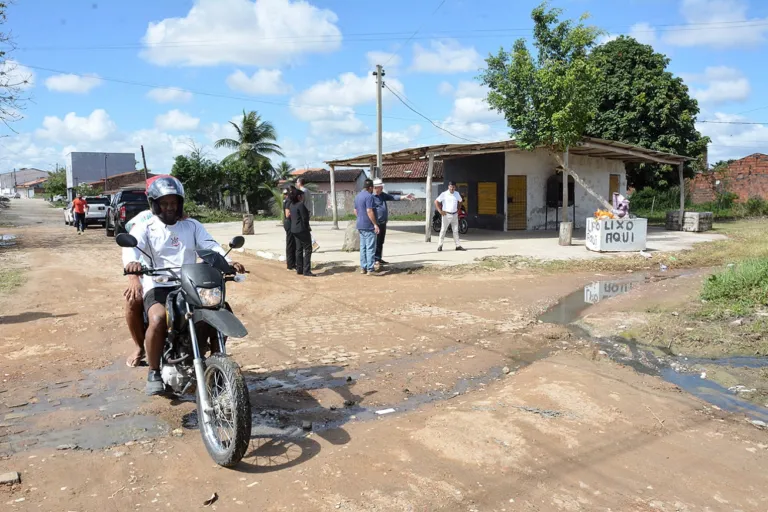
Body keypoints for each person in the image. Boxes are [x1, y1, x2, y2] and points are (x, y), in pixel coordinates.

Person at [122, 176, 246, 395]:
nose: (170, 208)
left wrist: (225, 261)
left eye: (174, 203)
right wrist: (133, 269)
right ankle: (154, 372)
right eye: (165, 203)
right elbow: (132, 250)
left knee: (221, 309)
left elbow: (209, 245)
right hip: (159, 284)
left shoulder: (192, 225)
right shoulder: (146, 227)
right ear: (155, 204)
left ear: (180, 203)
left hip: (191, 281)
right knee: (158, 318)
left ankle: (218, 363)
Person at [371, 178, 414, 269]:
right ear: (375, 187)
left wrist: (405, 197)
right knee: (376, 242)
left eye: (382, 187)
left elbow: (393, 197)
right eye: (380, 187)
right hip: (376, 223)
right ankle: (375, 260)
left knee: (381, 241)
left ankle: (379, 258)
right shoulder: (371, 197)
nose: (382, 188)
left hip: (383, 223)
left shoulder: (382, 195)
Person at [353, 179, 380, 274]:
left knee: (363, 247)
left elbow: (355, 211)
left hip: (360, 225)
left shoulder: (357, 196)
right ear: (371, 187)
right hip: (369, 226)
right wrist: (375, 224)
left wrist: (361, 217)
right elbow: (369, 211)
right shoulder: (369, 197)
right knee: (370, 247)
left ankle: (363, 268)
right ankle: (370, 268)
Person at [289, 188, 314, 277]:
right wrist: (307, 228)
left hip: (294, 229)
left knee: (298, 249)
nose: (303, 197)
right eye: (302, 195)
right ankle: (306, 270)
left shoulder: (292, 205)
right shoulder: (300, 205)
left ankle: (299, 269)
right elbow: (305, 218)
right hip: (302, 230)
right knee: (308, 249)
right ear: (299, 196)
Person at [434, 181, 466, 252]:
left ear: (455, 187)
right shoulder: (444, 194)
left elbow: (460, 201)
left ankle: (458, 246)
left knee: (455, 230)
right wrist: (440, 211)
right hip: (446, 214)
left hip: (454, 214)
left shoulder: (457, 194)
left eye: (453, 187)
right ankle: (440, 245)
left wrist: (458, 208)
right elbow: (436, 201)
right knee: (443, 230)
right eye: (451, 187)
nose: (452, 188)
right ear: (448, 187)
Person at [296, 177, 320, 253]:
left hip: (304, 212)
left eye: (297, 182)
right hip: (307, 211)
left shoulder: (302, 191)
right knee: (305, 229)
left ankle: (313, 244)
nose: (296, 183)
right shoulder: (307, 191)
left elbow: (301, 202)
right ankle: (311, 245)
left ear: (300, 183)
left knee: (304, 230)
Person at [282, 186, 296, 272]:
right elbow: (287, 214)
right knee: (290, 244)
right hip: (289, 223)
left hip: (289, 223)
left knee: (292, 243)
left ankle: (292, 263)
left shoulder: (287, 201)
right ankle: (290, 265)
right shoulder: (288, 201)